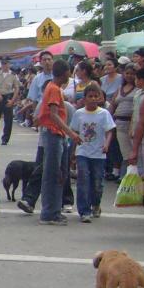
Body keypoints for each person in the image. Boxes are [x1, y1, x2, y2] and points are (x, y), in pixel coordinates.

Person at [36, 61, 80, 226]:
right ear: (65, 73)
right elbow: (53, 115)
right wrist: (71, 133)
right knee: (53, 174)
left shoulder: (54, 88)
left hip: (57, 134)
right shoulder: (54, 89)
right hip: (53, 133)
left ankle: (54, 211)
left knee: (60, 174)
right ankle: (49, 213)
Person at [70, 82, 115, 223]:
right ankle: (84, 210)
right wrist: (72, 152)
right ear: (84, 98)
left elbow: (109, 131)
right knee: (83, 180)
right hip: (82, 152)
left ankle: (96, 204)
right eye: (90, 96)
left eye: (96, 96)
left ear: (100, 97)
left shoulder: (104, 114)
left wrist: (106, 144)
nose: (93, 99)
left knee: (97, 182)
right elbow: (74, 132)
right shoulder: (79, 114)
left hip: (99, 154)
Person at [0, 57, 20, 145]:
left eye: (6, 63)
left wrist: (12, 100)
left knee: (8, 120)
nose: (4, 65)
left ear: (9, 64)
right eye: (2, 63)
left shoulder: (13, 75)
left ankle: (5, 139)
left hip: (8, 97)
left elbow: (17, 88)